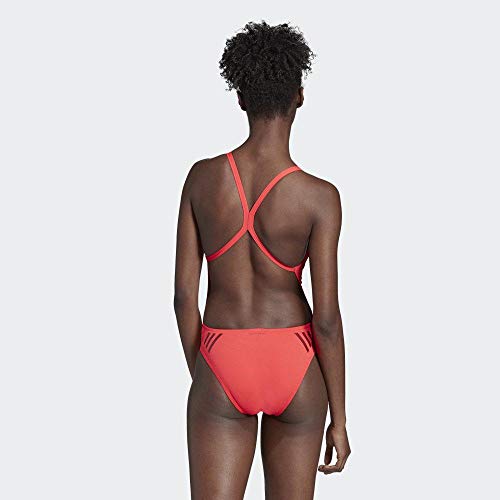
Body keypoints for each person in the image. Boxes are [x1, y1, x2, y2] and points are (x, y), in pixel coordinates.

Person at [174, 21, 350, 499]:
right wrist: (339, 417)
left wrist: (208, 372)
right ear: (300, 96)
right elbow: (327, 319)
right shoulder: (320, 197)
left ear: (240, 98)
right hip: (294, 360)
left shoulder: (201, 179)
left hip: (221, 352)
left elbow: (184, 298)